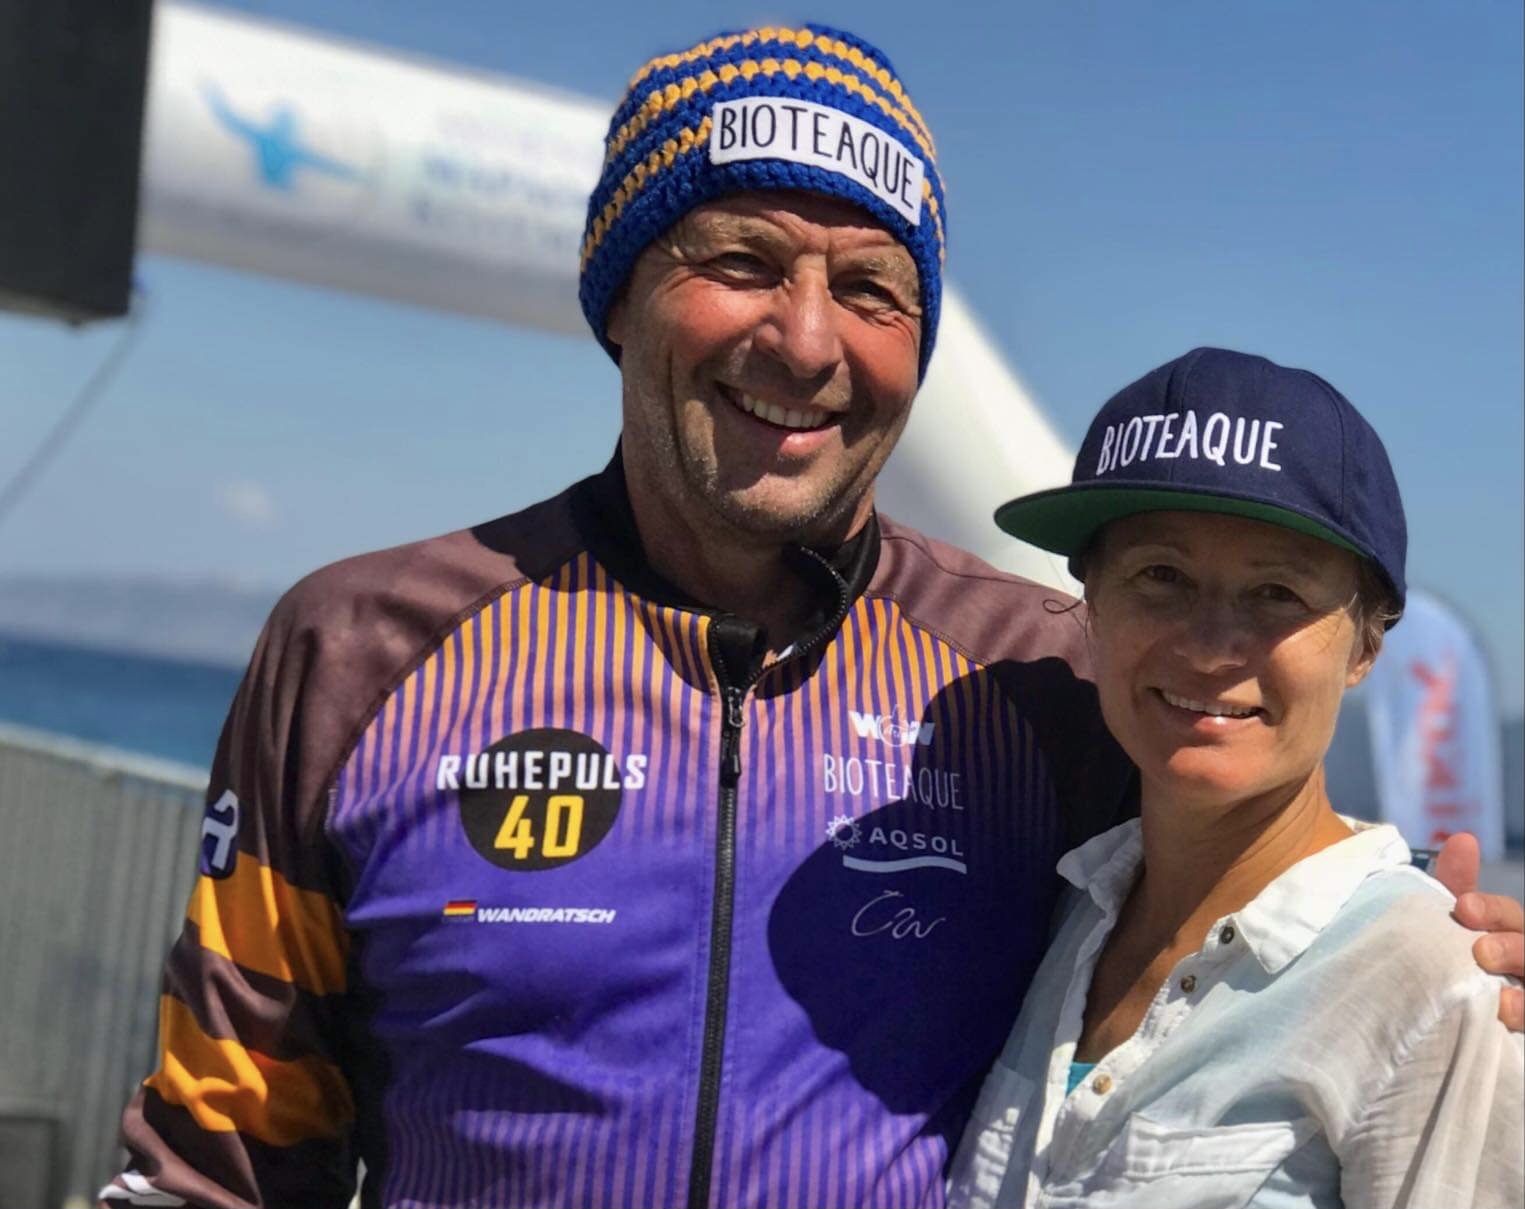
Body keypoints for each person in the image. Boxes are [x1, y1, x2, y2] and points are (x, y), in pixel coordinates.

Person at [102, 23, 1523, 1209]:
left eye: (869, 289)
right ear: (618, 295)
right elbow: (217, 1161)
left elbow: (1259, 887)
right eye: (740, 261)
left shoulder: (1037, 680)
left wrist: (1450, 949)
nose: (803, 338)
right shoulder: (360, 652)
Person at [949, 347, 1524, 1209]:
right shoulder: (1060, 914)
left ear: (1365, 643)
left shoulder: (1427, 979)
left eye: (1276, 593)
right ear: (1092, 605)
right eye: (1161, 576)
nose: (1210, 645)